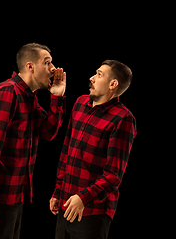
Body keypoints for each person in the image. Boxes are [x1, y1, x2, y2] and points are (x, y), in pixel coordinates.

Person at [0, 43, 66, 239]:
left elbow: (47, 132)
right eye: (47, 62)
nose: (53, 69)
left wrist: (57, 97)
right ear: (30, 66)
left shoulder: (29, 97)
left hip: (15, 195)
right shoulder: (7, 92)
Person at [49, 60, 137, 239]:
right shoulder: (80, 103)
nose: (92, 78)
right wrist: (58, 191)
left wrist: (83, 198)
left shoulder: (123, 119)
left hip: (92, 213)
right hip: (65, 205)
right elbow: (66, 151)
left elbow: (114, 174)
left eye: (98, 74)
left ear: (113, 84)